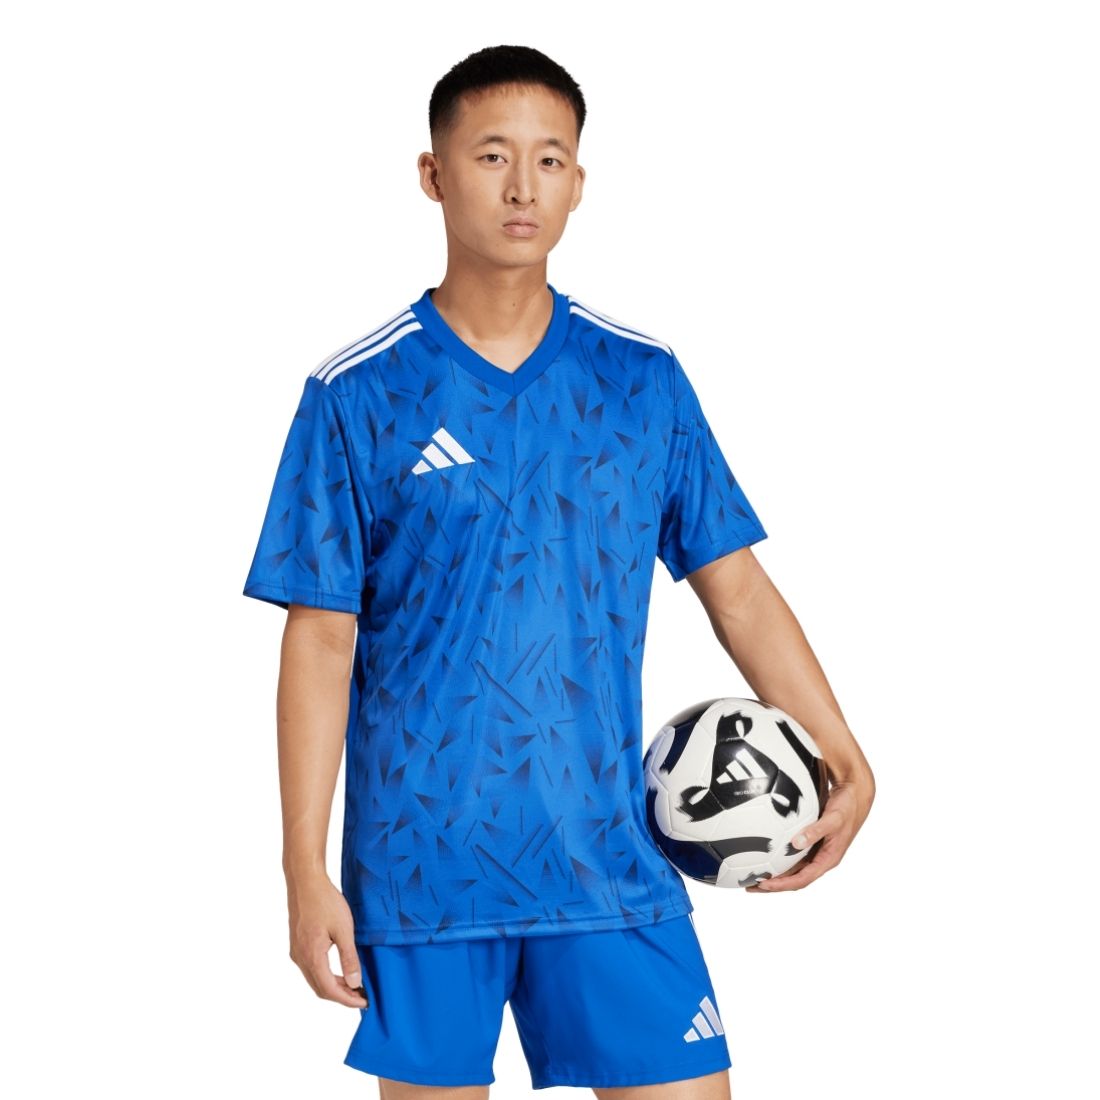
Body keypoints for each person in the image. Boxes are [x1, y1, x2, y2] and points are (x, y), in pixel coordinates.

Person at [242, 43, 875, 1100]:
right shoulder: (355, 394)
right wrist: (302, 870)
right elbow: (319, 639)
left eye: (549, 159)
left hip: (608, 861)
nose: (522, 186)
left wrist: (843, 753)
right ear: (433, 174)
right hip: (424, 873)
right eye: (491, 155)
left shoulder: (640, 381)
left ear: (579, 182)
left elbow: (736, 586)